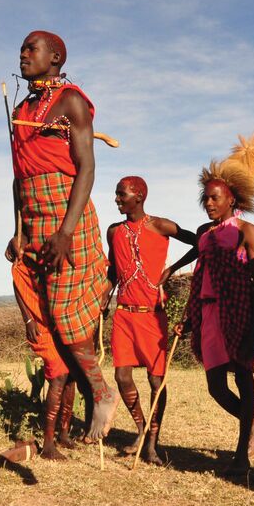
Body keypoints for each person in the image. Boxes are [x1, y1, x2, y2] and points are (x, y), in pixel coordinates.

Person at [5, 30, 116, 460]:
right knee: (48, 315)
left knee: (69, 315)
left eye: (32, 48)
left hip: (67, 219)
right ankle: (59, 428)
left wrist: (67, 231)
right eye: (22, 48)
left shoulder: (70, 100)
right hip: (33, 219)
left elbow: (87, 167)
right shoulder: (21, 110)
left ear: (55, 57)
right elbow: (18, 178)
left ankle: (101, 391)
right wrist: (17, 229)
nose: (23, 53)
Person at [174, 134, 254, 477]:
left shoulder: (248, 230)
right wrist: (187, 318)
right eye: (206, 198)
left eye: (215, 198)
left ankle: (242, 452)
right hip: (208, 314)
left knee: (244, 378)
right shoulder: (205, 232)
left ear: (232, 198)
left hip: (240, 313)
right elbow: (200, 267)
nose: (209, 203)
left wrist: (253, 327)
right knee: (216, 387)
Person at [105, 176, 196, 464]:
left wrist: (171, 269)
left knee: (156, 381)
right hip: (123, 314)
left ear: (140, 196)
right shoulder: (113, 231)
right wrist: (103, 301)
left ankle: (153, 443)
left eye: (122, 195)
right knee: (121, 376)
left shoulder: (161, 226)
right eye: (117, 194)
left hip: (151, 317)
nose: (117, 199)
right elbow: (112, 272)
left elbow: (200, 243)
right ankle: (141, 429)